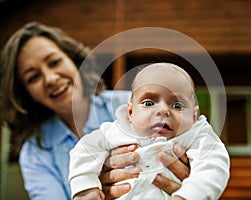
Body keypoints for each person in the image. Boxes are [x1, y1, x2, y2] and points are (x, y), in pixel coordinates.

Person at [0, 22, 191, 200]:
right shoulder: (35, 153)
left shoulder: (134, 105)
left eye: (54, 62)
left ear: (74, 61)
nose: (50, 78)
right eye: (33, 77)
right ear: (26, 94)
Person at [69, 63, 230, 200]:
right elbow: (85, 149)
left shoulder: (197, 136)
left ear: (194, 116)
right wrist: (85, 186)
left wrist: (188, 195)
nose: (162, 110)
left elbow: (213, 167)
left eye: (178, 105)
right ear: (130, 113)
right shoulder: (116, 130)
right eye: (148, 103)